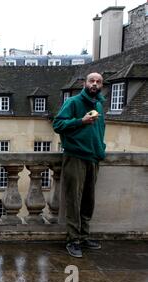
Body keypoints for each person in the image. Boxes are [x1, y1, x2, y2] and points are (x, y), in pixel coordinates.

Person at [53, 72, 106, 258]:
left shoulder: (99, 104)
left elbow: (101, 130)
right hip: (75, 156)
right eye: (91, 81)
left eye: (98, 82)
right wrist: (80, 121)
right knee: (73, 199)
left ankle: (84, 236)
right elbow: (57, 124)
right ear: (85, 83)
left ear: (101, 85)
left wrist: (101, 149)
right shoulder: (74, 102)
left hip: (93, 158)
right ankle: (73, 240)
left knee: (88, 200)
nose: (94, 84)